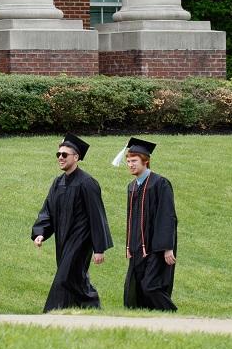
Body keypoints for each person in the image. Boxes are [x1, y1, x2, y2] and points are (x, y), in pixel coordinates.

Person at [31, 132, 113, 312]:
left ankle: (51, 314)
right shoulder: (58, 183)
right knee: (74, 278)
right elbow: (48, 210)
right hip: (63, 240)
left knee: (64, 277)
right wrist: (41, 233)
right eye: (58, 154)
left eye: (64, 155)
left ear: (76, 157)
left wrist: (99, 248)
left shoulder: (87, 183)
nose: (60, 157)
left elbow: (97, 216)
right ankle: (85, 311)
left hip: (81, 240)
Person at [122, 137, 178, 311]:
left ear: (145, 161)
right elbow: (131, 219)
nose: (130, 165)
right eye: (128, 161)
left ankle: (171, 313)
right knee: (135, 287)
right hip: (138, 246)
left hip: (157, 247)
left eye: (134, 161)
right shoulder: (132, 187)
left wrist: (167, 247)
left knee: (151, 285)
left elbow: (167, 216)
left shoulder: (160, 183)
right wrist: (129, 247)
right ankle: (149, 320)